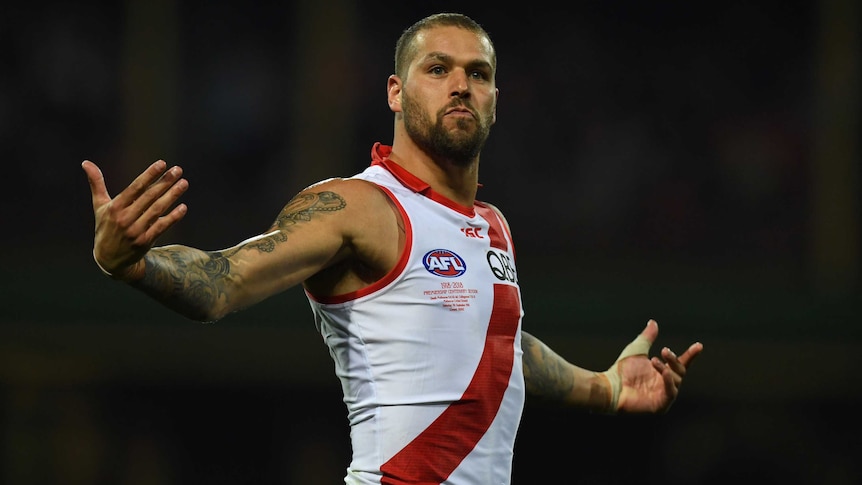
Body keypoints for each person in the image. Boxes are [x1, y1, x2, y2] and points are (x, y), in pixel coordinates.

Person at [82, 12, 703, 485]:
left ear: (495, 100)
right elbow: (223, 280)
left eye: (477, 74)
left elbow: (497, 347)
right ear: (395, 93)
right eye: (437, 70)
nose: (460, 85)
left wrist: (608, 388)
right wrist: (131, 263)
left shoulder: (492, 224)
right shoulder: (358, 206)